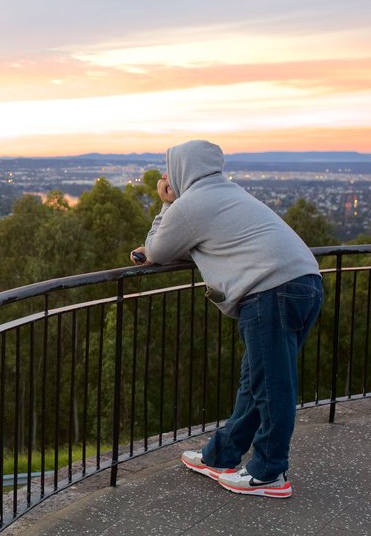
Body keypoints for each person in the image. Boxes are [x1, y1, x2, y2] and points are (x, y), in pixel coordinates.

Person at [130, 139, 323, 499]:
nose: (164, 174)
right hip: (303, 284)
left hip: (270, 291)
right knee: (256, 382)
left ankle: (270, 473)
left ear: (182, 170)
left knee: (271, 386)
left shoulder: (191, 204)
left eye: (168, 167)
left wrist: (165, 202)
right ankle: (221, 456)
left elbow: (156, 250)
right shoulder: (226, 192)